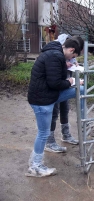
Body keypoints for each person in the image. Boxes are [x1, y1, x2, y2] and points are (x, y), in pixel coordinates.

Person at [26, 37, 85, 177]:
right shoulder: (55, 55)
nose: (72, 59)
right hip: (42, 99)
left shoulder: (55, 53)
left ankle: (84, 122)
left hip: (48, 95)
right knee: (43, 133)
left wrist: (69, 76)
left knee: (81, 89)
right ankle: (35, 166)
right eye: (73, 56)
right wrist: (71, 81)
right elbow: (55, 83)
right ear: (71, 50)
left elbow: (53, 78)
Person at [44, 34, 84, 153]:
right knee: (54, 112)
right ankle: (49, 141)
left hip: (64, 82)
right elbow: (52, 73)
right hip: (56, 85)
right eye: (73, 54)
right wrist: (64, 64)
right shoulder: (54, 52)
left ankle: (65, 134)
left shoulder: (66, 49)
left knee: (64, 108)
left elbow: (70, 58)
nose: (72, 57)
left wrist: (73, 62)